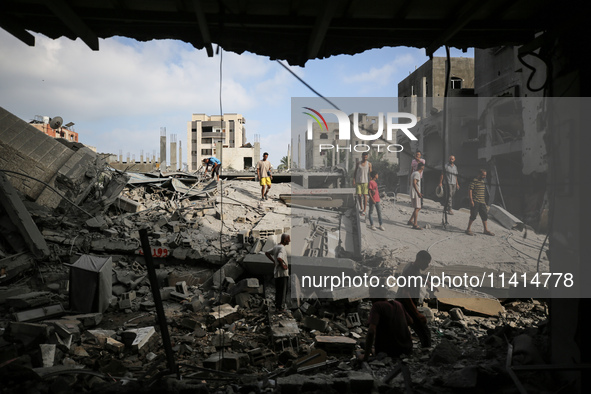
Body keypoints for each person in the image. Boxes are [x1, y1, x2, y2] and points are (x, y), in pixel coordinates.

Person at [362, 286, 414, 360]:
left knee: (363, 347)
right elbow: (410, 321)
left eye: (372, 294)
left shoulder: (377, 306)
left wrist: (365, 357)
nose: (370, 298)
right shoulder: (398, 304)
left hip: (389, 352)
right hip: (407, 349)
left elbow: (371, 331)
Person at [396, 250, 433, 349]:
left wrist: (427, 282)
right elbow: (406, 294)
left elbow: (417, 276)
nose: (427, 265)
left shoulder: (412, 266)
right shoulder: (410, 271)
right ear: (419, 260)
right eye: (426, 263)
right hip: (405, 303)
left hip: (404, 303)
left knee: (402, 327)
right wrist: (416, 313)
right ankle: (427, 352)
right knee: (423, 330)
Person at [265, 234, 290, 312]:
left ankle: (277, 306)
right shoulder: (282, 248)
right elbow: (279, 258)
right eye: (288, 239)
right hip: (282, 273)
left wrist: (273, 261)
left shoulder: (276, 247)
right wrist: (283, 266)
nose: (289, 241)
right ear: (285, 240)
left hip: (276, 273)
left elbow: (267, 253)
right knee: (283, 291)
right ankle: (281, 308)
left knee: (278, 290)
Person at [466, 169, 495, 236]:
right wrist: (471, 200)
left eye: (485, 175)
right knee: (473, 215)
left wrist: (484, 202)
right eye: (483, 175)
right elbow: (470, 190)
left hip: (482, 202)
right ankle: (468, 229)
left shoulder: (483, 181)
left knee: (484, 215)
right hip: (475, 201)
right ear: (479, 174)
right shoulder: (474, 181)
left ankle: (485, 230)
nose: (485, 176)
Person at [407, 162, 424, 230]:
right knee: (417, 208)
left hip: (414, 192)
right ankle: (415, 224)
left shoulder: (414, 173)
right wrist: (418, 193)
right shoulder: (417, 174)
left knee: (418, 208)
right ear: (422, 168)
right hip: (416, 193)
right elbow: (414, 183)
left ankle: (410, 220)